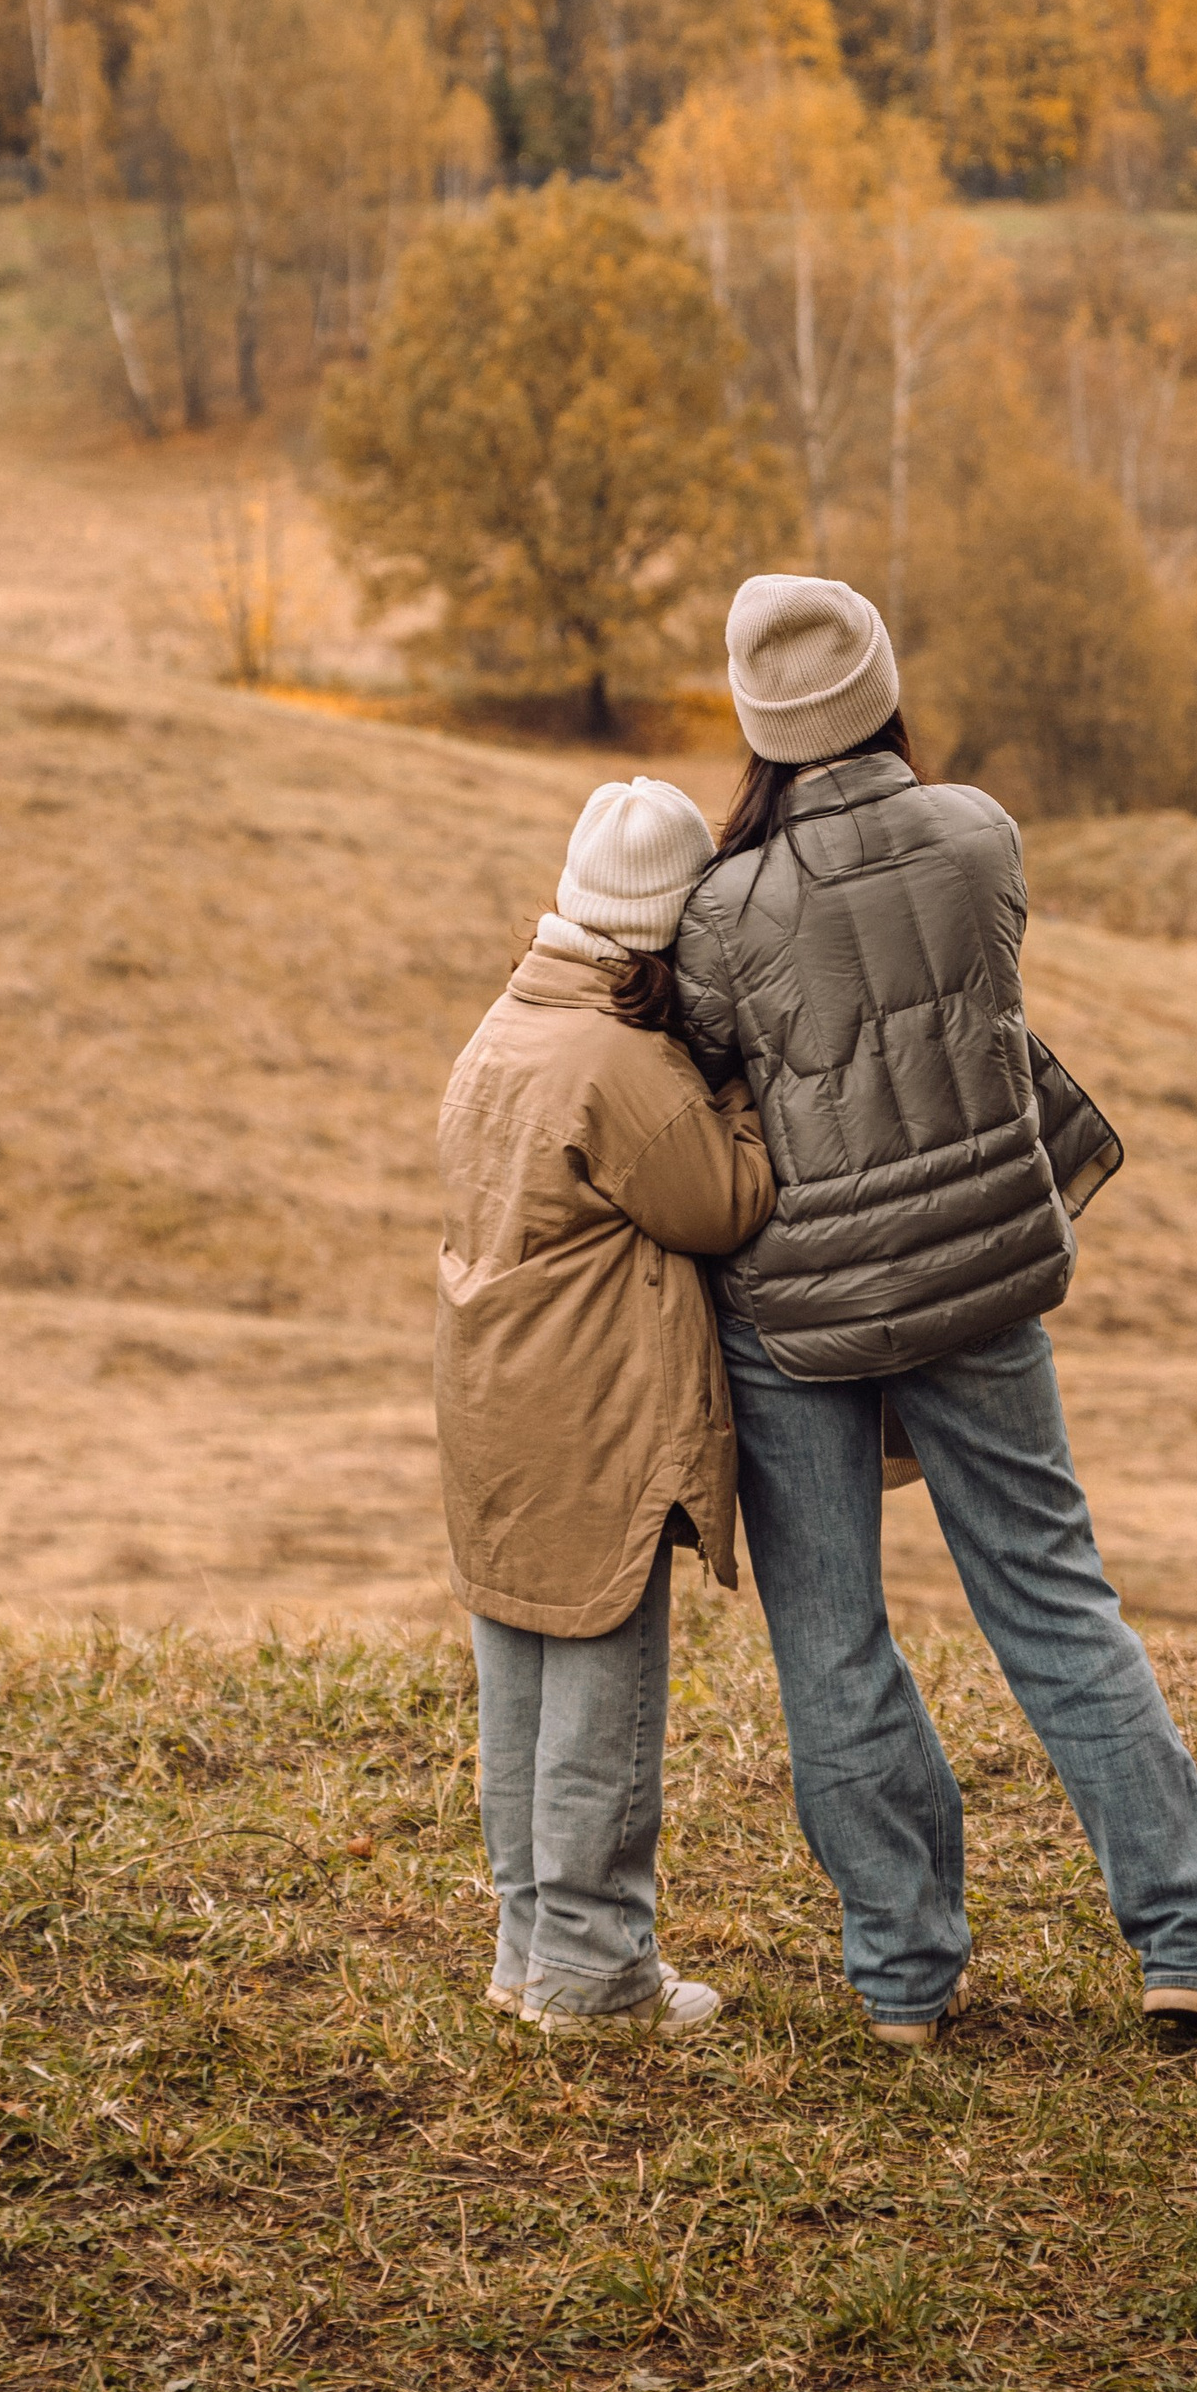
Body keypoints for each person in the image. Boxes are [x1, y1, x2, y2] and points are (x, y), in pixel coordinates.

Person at [672, 571, 1197, 2054]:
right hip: (986, 1279)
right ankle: (1191, 1943)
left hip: (798, 1313)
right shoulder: (979, 836)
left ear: (755, 725)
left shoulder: (722, 911)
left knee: (833, 1637)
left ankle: (904, 1980)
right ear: (880, 690)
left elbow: (708, 1076)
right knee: (1055, 1599)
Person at [436, 772, 776, 2039]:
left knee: (518, 1678)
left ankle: (529, 1945)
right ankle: (593, 1968)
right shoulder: (614, 1059)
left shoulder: (505, 1025)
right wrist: (736, 1090)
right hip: (594, 1421)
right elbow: (723, 1200)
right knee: (599, 1689)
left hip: (497, 1409)